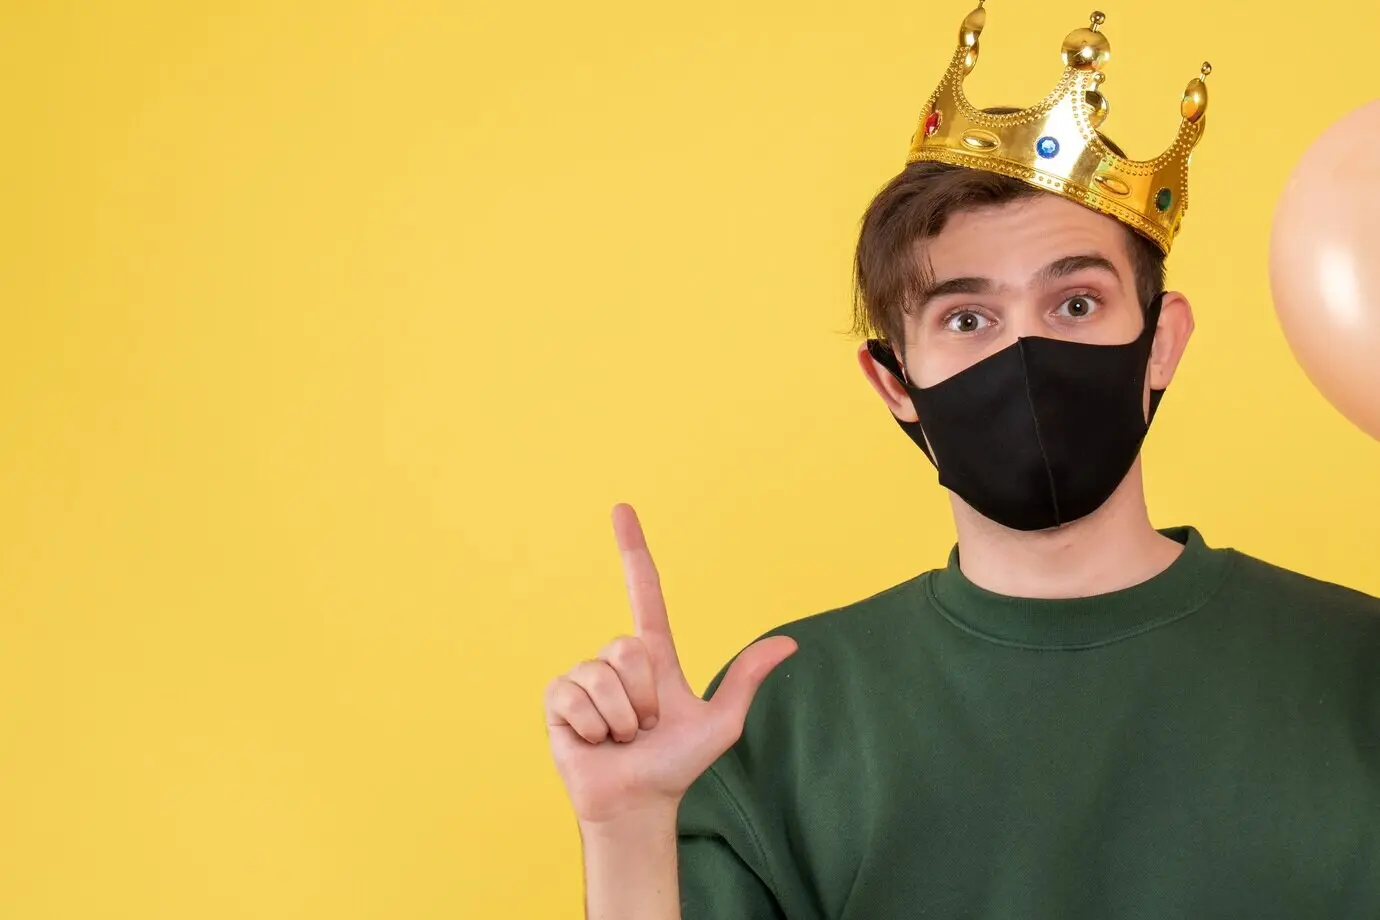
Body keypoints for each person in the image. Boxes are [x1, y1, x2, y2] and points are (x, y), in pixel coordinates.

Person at [543, 5, 1380, 918]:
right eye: (967, 319)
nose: (1024, 354)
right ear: (894, 382)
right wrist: (627, 830)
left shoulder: (1358, 666)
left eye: (1075, 305)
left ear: (1161, 343)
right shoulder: (785, 714)